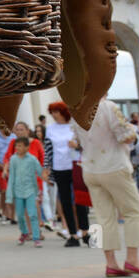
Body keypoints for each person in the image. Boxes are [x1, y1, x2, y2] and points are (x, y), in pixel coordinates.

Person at [74, 98, 139, 277]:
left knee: (104, 217)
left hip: (90, 167)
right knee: (134, 211)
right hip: (113, 165)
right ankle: (132, 259)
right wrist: (134, 130)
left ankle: (111, 263)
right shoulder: (108, 106)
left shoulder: (75, 107)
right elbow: (125, 136)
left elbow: (77, 139)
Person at [45, 102, 89, 246]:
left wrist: (77, 146)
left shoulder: (74, 125)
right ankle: (72, 234)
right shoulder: (50, 129)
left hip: (75, 165)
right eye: (52, 112)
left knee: (80, 199)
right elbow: (48, 150)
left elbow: (87, 145)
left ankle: (85, 231)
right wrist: (47, 169)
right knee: (65, 202)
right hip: (59, 167)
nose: (54, 114)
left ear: (64, 112)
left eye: (56, 111)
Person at [5, 137, 43, 247]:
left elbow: (40, 172)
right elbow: (11, 177)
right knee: (20, 215)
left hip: (30, 190)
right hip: (18, 191)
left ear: (27, 147)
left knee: (32, 214)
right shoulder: (13, 159)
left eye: (20, 146)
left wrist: (47, 179)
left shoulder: (32, 159)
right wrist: (9, 196)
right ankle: (24, 232)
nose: (17, 148)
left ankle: (36, 237)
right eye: (16, 146)